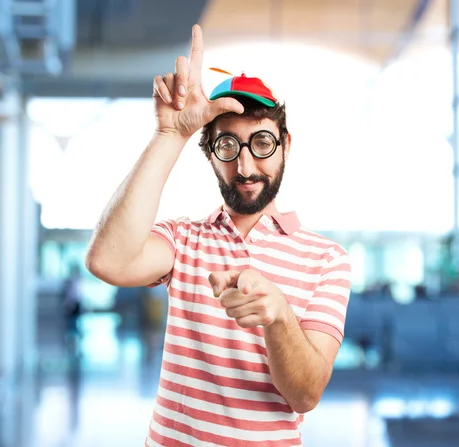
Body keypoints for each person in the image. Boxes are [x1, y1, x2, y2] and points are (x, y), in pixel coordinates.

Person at [86, 24, 351, 446]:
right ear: (210, 153)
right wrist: (169, 134)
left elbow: (305, 394)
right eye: (228, 146)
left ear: (285, 144)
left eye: (261, 141)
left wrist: (279, 315)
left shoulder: (328, 259)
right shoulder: (182, 240)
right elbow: (107, 260)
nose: (245, 168)